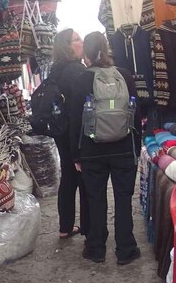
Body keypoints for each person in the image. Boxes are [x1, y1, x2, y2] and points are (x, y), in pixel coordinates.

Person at [67, 32, 142, 265]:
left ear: (87, 53)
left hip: (92, 150)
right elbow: (136, 114)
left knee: (95, 199)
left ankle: (96, 248)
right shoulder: (125, 76)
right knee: (123, 198)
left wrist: (75, 154)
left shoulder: (81, 79)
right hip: (123, 148)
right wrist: (135, 148)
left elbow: (75, 120)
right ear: (107, 49)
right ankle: (126, 249)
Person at [47, 28, 89, 239]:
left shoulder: (56, 69)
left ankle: (65, 226)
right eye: (76, 39)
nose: (81, 42)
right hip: (74, 129)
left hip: (60, 129)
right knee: (82, 175)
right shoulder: (75, 70)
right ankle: (88, 228)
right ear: (67, 46)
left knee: (68, 175)